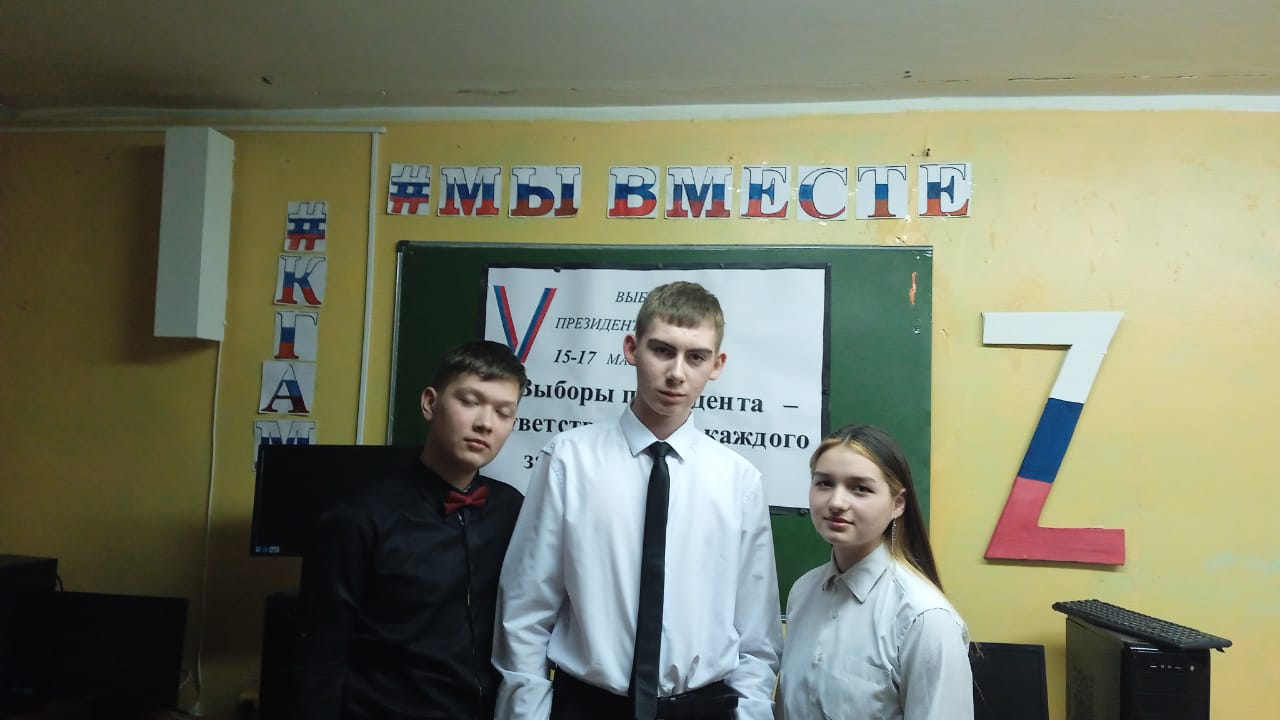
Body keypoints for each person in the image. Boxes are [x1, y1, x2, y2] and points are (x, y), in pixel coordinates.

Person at [494, 281, 782, 720]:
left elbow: (756, 638)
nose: (677, 373)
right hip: (587, 707)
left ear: (717, 364)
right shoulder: (568, 461)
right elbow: (525, 611)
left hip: (701, 709)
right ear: (632, 348)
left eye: (696, 357)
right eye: (662, 351)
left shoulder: (739, 481)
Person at [291, 340, 529, 720]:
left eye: (503, 412)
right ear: (430, 403)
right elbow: (320, 655)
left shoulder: (513, 511)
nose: (486, 423)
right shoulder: (357, 518)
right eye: (470, 402)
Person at [776, 424, 972, 720]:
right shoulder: (803, 592)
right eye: (825, 483)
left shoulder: (924, 617)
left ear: (898, 504)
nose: (836, 502)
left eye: (860, 489)